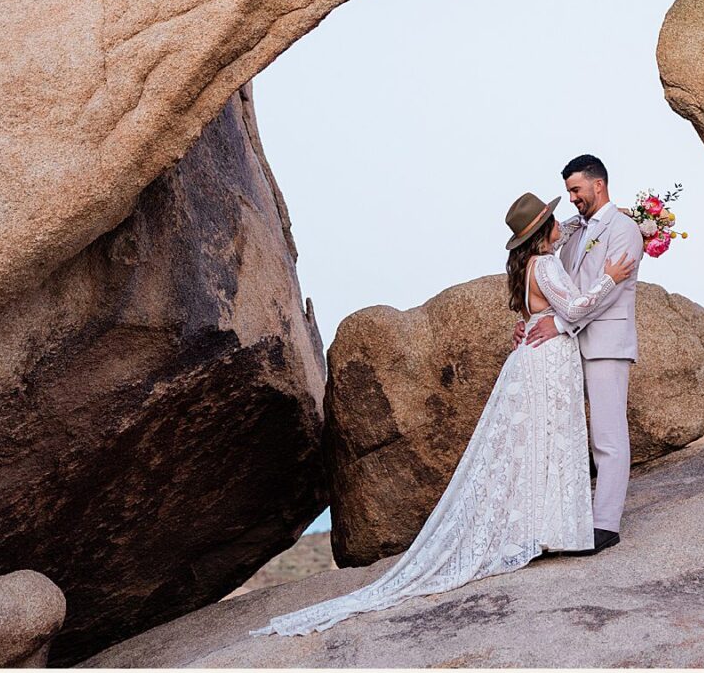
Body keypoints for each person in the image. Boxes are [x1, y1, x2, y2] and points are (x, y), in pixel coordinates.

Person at [247, 191, 638, 637]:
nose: (559, 222)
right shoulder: (547, 265)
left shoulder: (528, 264)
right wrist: (609, 279)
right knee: (548, 443)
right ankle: (548, 531)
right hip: (546, 363)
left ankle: (543, 530)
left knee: (534, 447)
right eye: (552, 218)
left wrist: (617, 216)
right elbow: (575, 307)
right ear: (543, 231)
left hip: (534, 357)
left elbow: (569, 236)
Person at [515, 154, 645, 555]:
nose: (572, 198)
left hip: (605, 343)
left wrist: (559, 324)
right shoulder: (574, 232)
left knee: (608, 435)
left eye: (576, 190)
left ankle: (605, 524)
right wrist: (532, 320)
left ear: (598, 185)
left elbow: (609, 294)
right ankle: (564, 521)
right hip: (567, 350)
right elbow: (555, 285)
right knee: (567, 436)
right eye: (569, 191)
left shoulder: (624, 231)